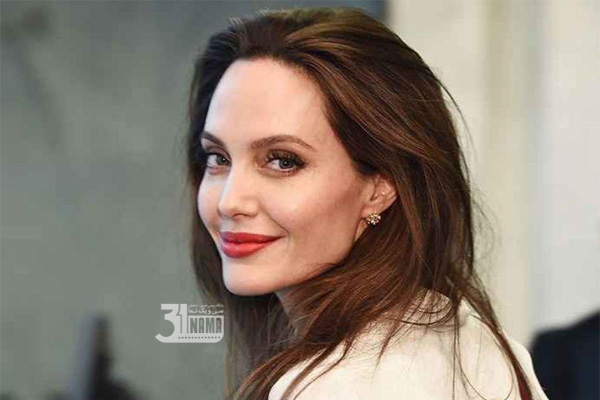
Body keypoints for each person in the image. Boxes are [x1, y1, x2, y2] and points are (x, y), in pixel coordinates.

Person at [185, 7, 549, 400]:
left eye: (283, 161)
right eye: (217, 158)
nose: (230, 201)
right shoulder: (471, 343)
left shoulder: (341, 385)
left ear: (380, 187)